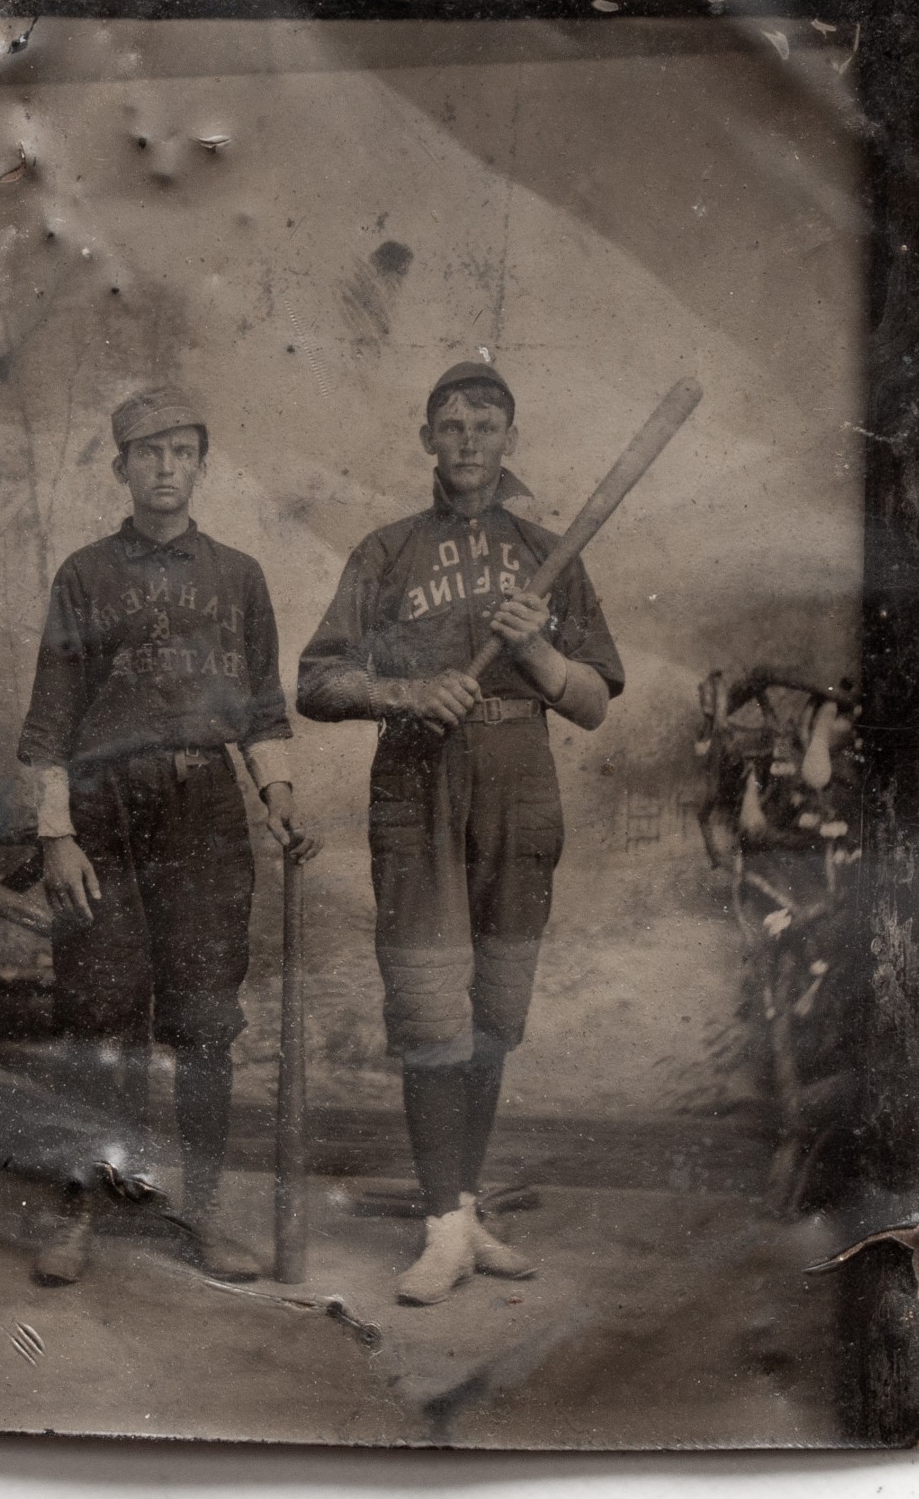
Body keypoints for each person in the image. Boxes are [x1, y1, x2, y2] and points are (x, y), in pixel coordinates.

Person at [297, 361, 623, 1304]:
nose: (469, 439)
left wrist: (536, 651)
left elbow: (594, 702)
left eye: (486, 424)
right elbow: (317, 681)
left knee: (494, 1006)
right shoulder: (386, 552)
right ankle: (443, 1229)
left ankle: (465, 1206)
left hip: (520, 780)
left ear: (509, 439)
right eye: (451, 424)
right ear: (427, 439)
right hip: (419, 778)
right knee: (433, 1005)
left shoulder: (547, 549)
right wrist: (403, 692)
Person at [18, 385, 319, 1286]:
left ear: (199, 464)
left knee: (202, 1023)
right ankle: (78, 1209)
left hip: (206, 818)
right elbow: (48, 723)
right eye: (147, 453)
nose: (164, 467)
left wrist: (281, 795)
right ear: (120, 467)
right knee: (100, 1017)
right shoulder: (85, 574)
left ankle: (203, 1213)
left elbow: (264, 713)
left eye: (180, 451)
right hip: (104, 820)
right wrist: (56, 836)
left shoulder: (238, 577)